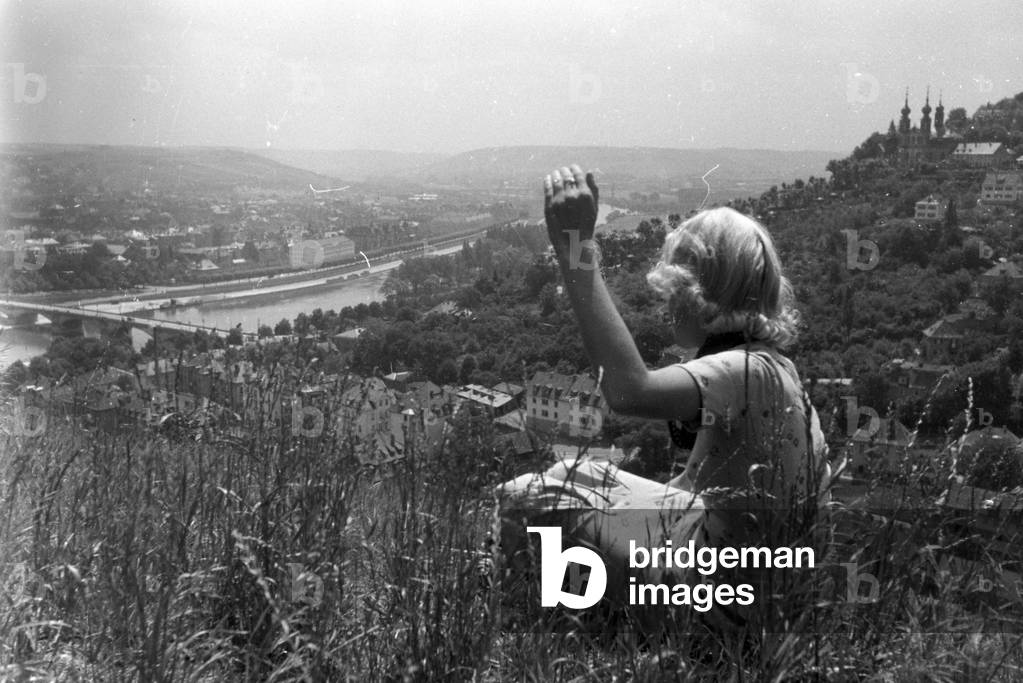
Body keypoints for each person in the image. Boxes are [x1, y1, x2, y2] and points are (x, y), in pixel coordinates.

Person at [495, 165, 832, 633]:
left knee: (525, 501)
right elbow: (696, 487)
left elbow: (627, 391)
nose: (666, 302)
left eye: (674, 287)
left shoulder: (742, 370)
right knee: (583, 475)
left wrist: (576, 249)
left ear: (697, 294)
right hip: (762, 598)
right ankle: (591, 617)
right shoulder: (775, 368)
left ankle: (533, 635)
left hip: (718, 605)